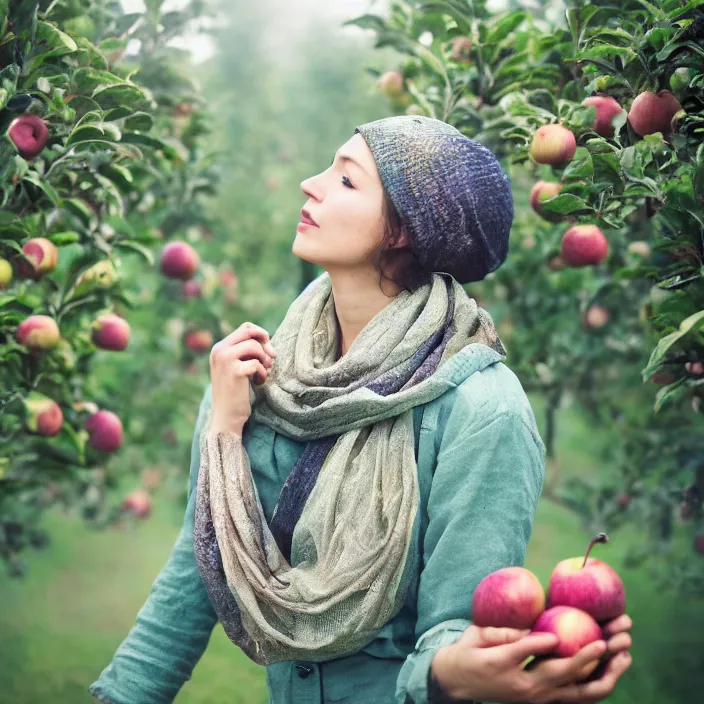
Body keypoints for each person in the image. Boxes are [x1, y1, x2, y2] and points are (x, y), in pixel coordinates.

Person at [89, 115, 632, 704]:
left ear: (403, 229)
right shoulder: (256, 375)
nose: (309, 184)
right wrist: (223, 431)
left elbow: (454, 629)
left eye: (346, 180)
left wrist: (455, 671)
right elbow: (195, 574)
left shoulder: (481, 412)